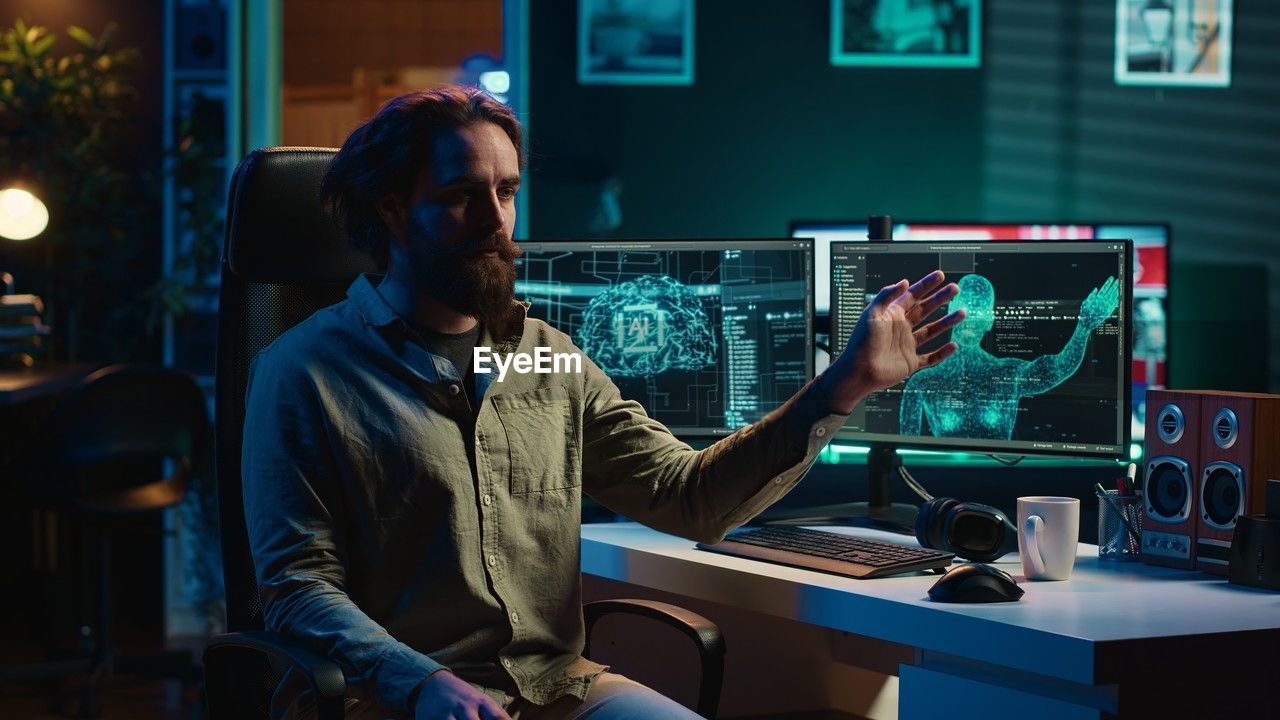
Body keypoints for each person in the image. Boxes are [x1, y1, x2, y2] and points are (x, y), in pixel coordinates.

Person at [241, 84, 964, 720]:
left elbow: (692, 498)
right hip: (396, 699)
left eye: (507, 191)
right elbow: (297, 588)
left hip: (556, 688)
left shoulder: (545, 353)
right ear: (393, 210)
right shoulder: (304, 371)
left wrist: (845, 384)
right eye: (462, 195)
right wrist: (418, 679)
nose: (496, 221)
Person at [899, 273, 1119, 440]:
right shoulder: (922, 383)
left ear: (990, 321)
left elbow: (1059, 367)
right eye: (966, 308)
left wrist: (1084, 326)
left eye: (979, 311)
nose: (971, 319)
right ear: (950, 311)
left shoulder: (1008, 373)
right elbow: (906, 454)